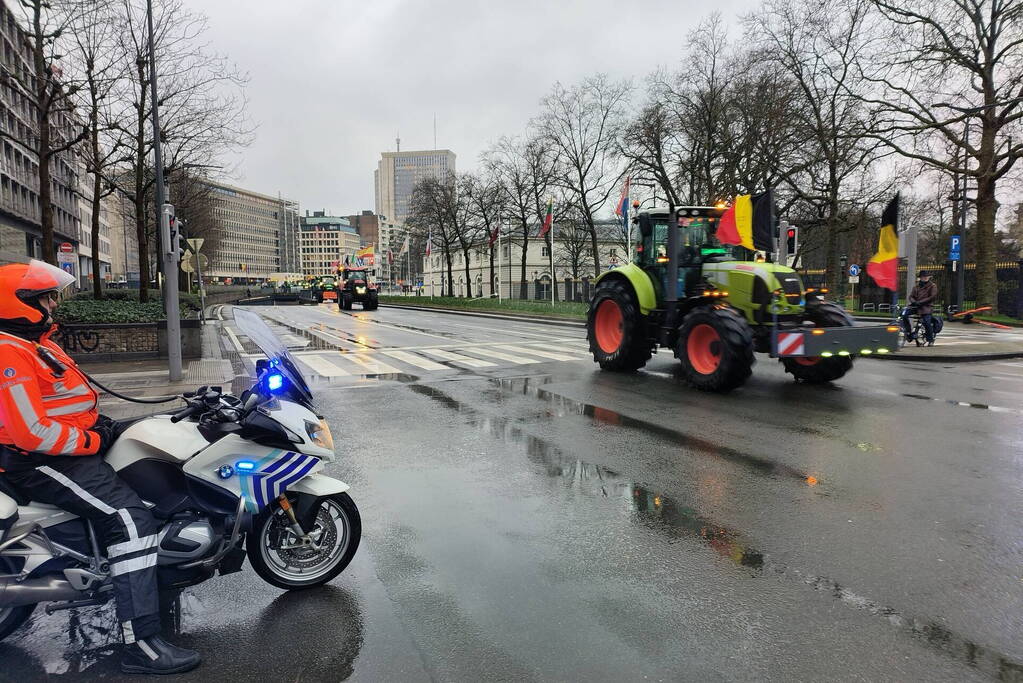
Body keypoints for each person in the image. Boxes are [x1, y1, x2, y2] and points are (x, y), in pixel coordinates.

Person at [0, 260, 200, 675]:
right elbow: (31, 433)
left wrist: (106, 426)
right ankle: (141, 644)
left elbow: (65, 402)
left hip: (66, 450)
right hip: (39, 460)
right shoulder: (9, 352)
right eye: (45, 297)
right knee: (129, 520)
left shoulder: (35, 342)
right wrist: (92, 439)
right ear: (20, 303)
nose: (54, 303)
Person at [904, 270, 939, 346]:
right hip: (916, 306)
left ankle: (930, 340)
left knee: (927, 321)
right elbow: (911, 296)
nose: (925, 278)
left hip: (926, 307)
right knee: (904, 314)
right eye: (923, 277)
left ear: (929, 277)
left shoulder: (932, 286)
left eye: (927, 276)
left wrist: (920, 302)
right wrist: (914, 302)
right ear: (921, 278)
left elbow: (932, 297)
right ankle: (908, 332)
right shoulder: (916, 286)